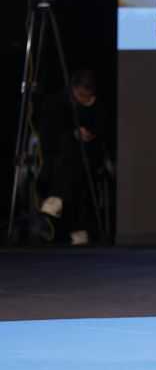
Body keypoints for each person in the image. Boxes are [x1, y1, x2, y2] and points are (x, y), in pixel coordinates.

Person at [37, 69, 110, 246]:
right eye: (79, 95)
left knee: (78, 166)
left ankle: (60, 203)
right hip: (61, 157)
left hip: (90, 156)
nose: (82, 99)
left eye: (87, 96)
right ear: (73, 90)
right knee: (69, 152)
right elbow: (50, 131)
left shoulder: (98, 107)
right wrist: (74, 133)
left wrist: (90, 132)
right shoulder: (58, 103)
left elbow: (104, 131)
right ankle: (61, 208)